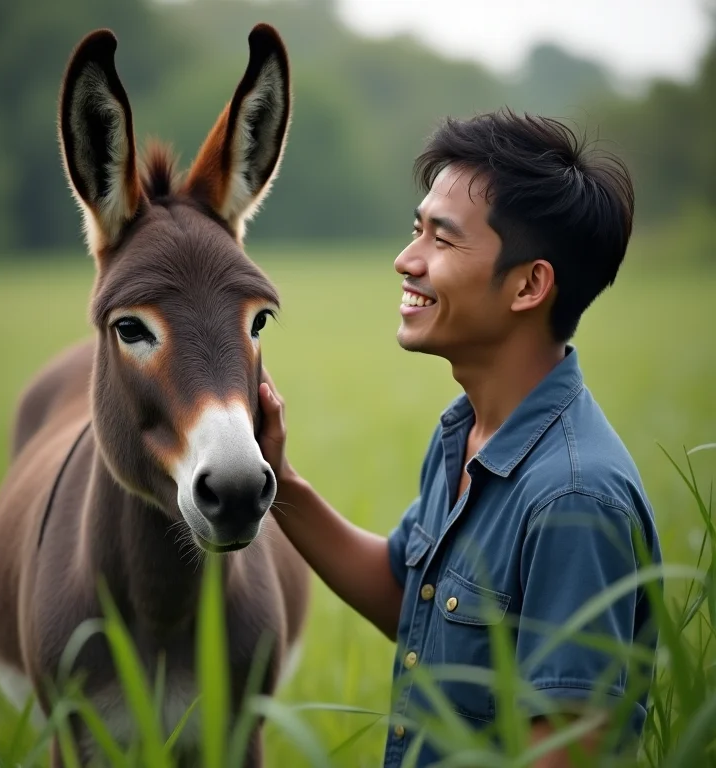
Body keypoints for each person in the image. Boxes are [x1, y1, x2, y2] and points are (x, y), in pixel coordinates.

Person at [257, 108, 661, 767]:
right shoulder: (468, 438)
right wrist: (281, 483)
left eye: (440, 241)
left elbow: (565, 750)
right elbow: (408, 601)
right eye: (415, 230)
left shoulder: (574, 499)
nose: (404, 260)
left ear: (529, 284)